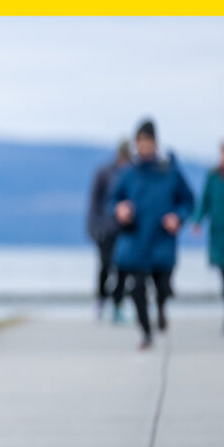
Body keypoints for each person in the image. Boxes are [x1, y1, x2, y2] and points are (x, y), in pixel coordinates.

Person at [109, 119, 195, 349]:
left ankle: (162, 308)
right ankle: (146, 333)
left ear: (155, 143)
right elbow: (113, 200)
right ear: (136, 145)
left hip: (162, 240)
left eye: (148, 142)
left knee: (163, 288)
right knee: (135, 288)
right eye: (140, 143)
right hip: (136, 240)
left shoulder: (170, 171)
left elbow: (188, 201)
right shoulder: (128, 174)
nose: (144, 147)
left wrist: (178, 217)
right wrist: (120, 209)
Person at [86, 140, 132, 322]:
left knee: (123, 269)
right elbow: (94, 203)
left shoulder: (132, 174)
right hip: (105, 229)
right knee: (105, 267)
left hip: (125, 230)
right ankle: (100, 301)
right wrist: (93, 227)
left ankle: (118, 305)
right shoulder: (104, 173)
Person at [191, 140, 224, 319]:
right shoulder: (213, 177)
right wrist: (197, 220)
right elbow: (204, 201)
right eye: (223, 153)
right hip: (219, 235)